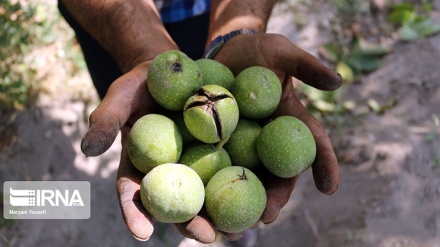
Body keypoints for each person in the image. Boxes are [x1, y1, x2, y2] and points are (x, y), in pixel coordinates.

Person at [58, 0, 342, 244]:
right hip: (110, 17)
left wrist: (238, 31)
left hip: (204, 13)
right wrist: (139, 53)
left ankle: (235, 232)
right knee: (124, 100)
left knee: (237, 218)